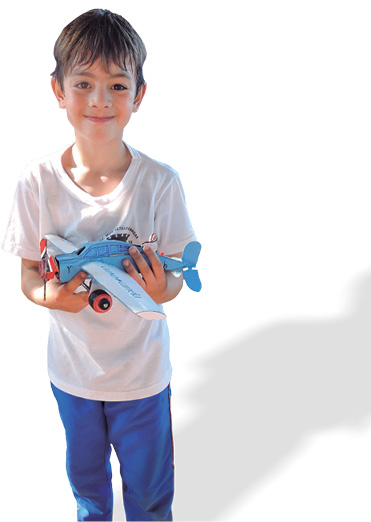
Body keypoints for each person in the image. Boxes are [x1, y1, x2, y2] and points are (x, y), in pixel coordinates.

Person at [1, 9, 197, 521]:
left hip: (142, 374)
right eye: (84, 83)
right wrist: (49, 296)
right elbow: (28, 274)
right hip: (73, 374)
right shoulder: (35, 182)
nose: (100, 100)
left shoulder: (160, 182)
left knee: (150, 489)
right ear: (58, 90)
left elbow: (174, 277)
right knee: (87, 484)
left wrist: (162, 287)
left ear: (139, 94)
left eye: (117, 85)